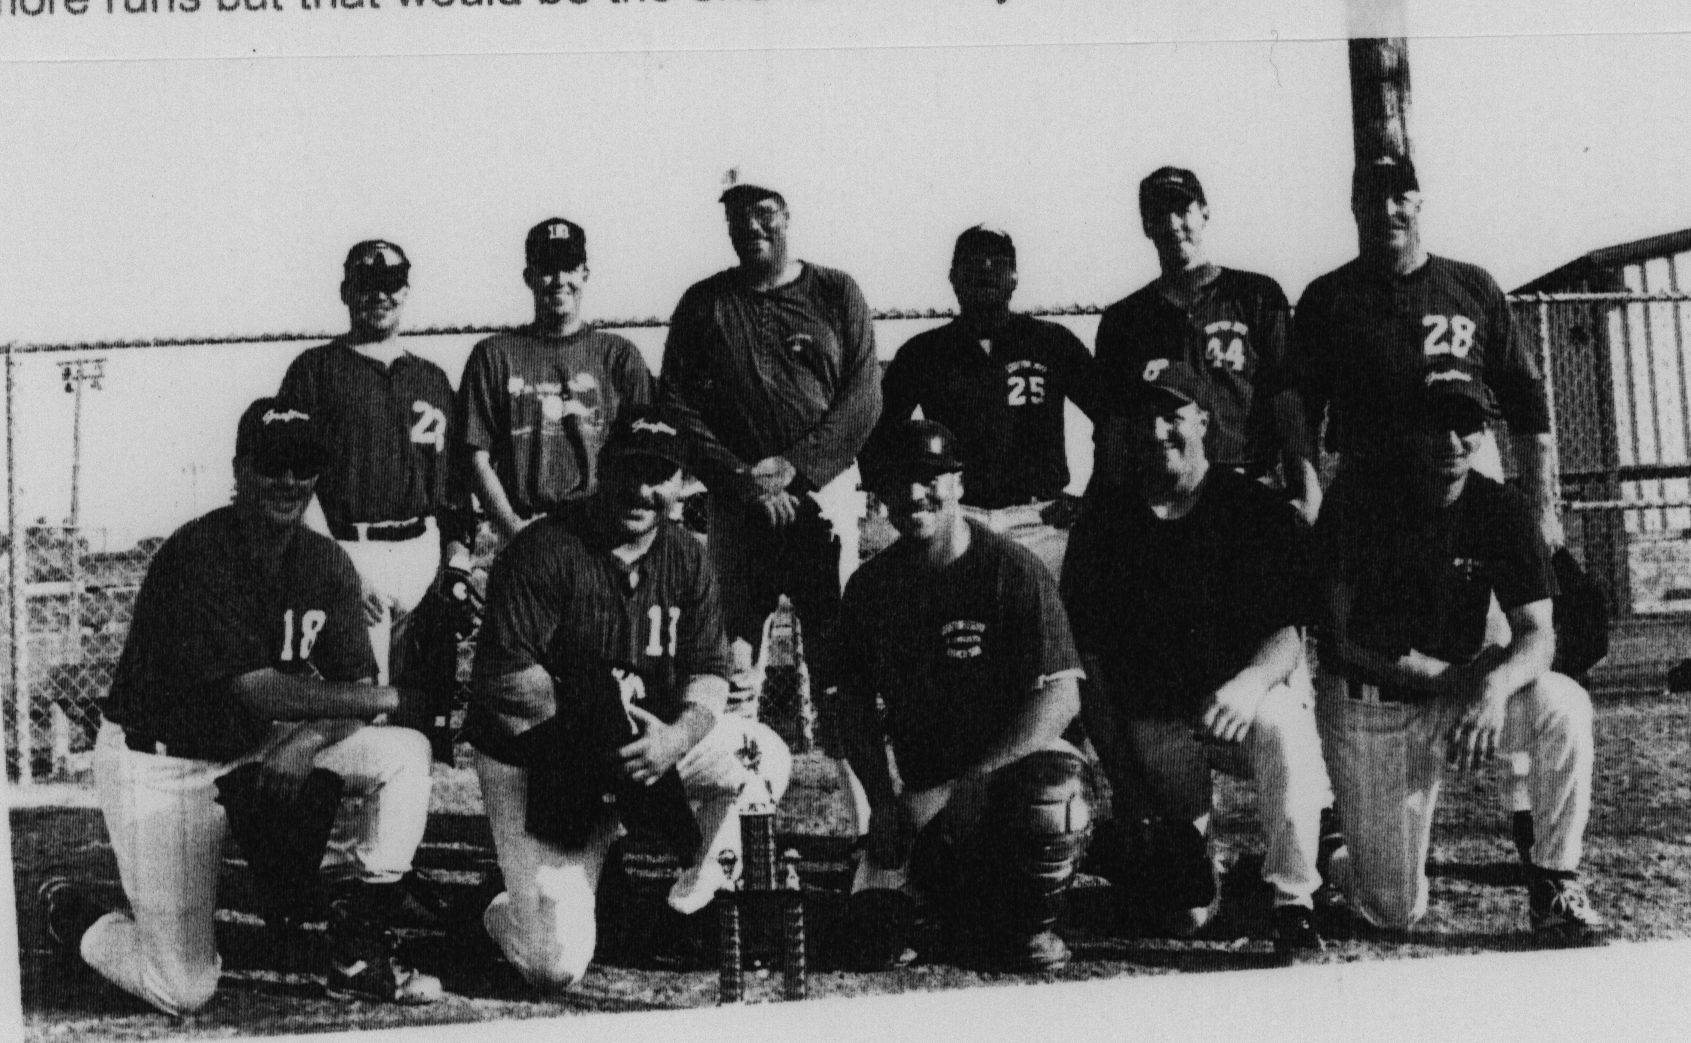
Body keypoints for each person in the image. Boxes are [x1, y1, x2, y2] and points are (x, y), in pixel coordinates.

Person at [38, 398, 443, 1014]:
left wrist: (308, 741)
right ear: (240, 469)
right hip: (163, 766)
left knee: (404, 753)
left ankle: (357, 952)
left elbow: (353, 685)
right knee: (183, 988)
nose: (287, 480)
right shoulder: (198, 553)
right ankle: (76, 916)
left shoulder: (325, 559)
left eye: (302, 465)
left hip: (260, 746)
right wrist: (385, 696)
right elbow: (259, 690)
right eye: (271, 464)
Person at [463, 405, 792, 990]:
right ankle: (503, 907)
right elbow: (507, 682)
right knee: (553, 964)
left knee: (761, 755)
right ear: (603, 469)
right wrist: (605, 726)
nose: (643, 490)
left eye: (660, 475)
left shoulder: (688, 554)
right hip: (544, 758)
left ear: (680, 483)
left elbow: (710, 673)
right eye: (630, 470)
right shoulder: (543, 547)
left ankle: (689, 909)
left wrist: (677, 737)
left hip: (648, 745)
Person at [1312, 365, 1609, 943]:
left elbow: (1538, 634)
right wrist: (1454, 681)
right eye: (1436, 424)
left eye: (1466, 424)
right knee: (1391, 912)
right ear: (1408, 430)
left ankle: (1554, 882)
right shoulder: (1359, 499)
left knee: (1563, 703)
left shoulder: (1500, 507)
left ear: (1483, 433)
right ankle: (1335, 854)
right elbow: (1340, 638)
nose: (1451, 440)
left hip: (1458, 699)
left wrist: (1493, 690)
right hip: (1376, 708)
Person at [1060, 360, 1330, 957]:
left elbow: (1289, 632)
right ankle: (1188, 862)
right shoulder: (1104, 524)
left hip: (1242, 705)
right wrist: (1128, 788)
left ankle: (1293, 900)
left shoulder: (1252, 509)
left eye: (1173, 414)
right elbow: (1094, 671)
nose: (1158, 430)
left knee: (1281, 720)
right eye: (1144, 416)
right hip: (1158, 725)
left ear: (1204, 421)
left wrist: (1252, 681)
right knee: (1185, 915)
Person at [658, 170, 880, 820]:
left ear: (786, 214)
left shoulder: (834, 290)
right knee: (732, 660)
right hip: (737, 505)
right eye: (736, 217)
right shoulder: (704, 302)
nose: (750, 228)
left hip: (824, 498)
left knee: (835, 660)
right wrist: (740, 478)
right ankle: (731, 825)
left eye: (763, 214)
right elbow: (676, 402)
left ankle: (870, 825)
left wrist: (797, 468)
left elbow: (863, 396)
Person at [837, 419, 1095, 972]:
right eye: (897, 481)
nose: (912, 494)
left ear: (958, 481)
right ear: (879, 493)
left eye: (929, 477)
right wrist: (883, 801)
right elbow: (852, 709)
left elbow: (1063, 698)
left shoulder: (1012, 569)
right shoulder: (869, 589)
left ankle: (1030, 928)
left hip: (1013, 772)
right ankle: (955, 902)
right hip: (929, 789)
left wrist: (978, 779)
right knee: (874, 941)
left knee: (1050, 797)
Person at [1292, 155, 1561, 546]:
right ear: (1354, 208)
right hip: (1371, 485)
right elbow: (1300, 408)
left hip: (1463, 480)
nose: (1387, 211)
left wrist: (1542, 507)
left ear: (1419, 202)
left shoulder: (1473, 286)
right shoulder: (1327, 297)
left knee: (1486, 606)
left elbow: (1526, 401)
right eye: (1371, 198)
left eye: (1400, 196)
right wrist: (1310, 493)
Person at [278, 239, 472, 685]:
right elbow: (293, 480)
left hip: (423, 553)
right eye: (367, 284)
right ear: (346, 291)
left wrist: (455, 562)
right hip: (350, 550)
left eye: (391, 284)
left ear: (405, 291)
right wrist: (337, 569)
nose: (379, 296)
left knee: (422, 709)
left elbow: (453, 486)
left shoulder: (432, 378)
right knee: (364, 709)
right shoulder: (315, 370)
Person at [869, 225, 1105, 576]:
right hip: (958, 517)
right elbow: (877, 433)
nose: (984, 268)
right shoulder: (924, 351)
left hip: (1040, 519)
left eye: (997, 260)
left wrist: (1093, 495)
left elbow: (1113, 418)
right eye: (971, 260)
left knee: (1046, 626)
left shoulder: (1052, 342)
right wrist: (900, 500)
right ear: (952, 276)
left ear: (1015, 277)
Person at [1091, 166, 1318, 521]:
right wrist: (1107, 508)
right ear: (1146, 225)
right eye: (1158, 214)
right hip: (1164, 498)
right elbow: (1113, 430)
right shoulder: (1124, 319)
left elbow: (1286, 401)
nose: (1171, 223)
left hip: (1247, 486)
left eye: (1182, 209)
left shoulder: (1256, 296)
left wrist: (1308, 494)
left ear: (1204, 212)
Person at [458, 217, 655, 545]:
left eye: (570, 267)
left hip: (601, 533)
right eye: (547, 268)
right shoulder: (493, 355)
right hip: (525, 528)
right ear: (529, 277)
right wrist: (513, 531)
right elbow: (475, 455)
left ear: (585, 274)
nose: (559, 280)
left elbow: (646, 452)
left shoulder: (619, 355)